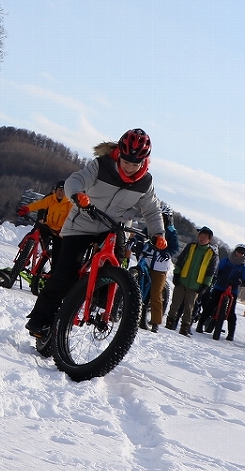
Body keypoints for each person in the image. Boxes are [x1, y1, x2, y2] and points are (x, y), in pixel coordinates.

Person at [24, 130, 166, 352]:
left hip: (113, 226)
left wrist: (158, 234)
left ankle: (102, 306)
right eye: (126, 161)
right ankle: (41, 319)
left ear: (144, 161)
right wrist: (77, 195)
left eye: (135, 163)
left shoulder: (145, 182)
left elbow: (152, 210)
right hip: (83, 221)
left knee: (116, 263)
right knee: (65, 272)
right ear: (119, 154)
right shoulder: (101, 165)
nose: (129, 167)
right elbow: (76, 180)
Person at [165, 227, 218, 335]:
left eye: (205, 237)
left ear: (209, 240)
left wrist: (205, 285)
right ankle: (169, 323)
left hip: (195, 285)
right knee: (175, 304)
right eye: (201, 236)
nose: (202, 238)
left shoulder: (211, 254)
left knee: (189, 308)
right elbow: (180, 260)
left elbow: (211, 272)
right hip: (182, 280)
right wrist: (176, 274)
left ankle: (184, 328)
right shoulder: (191, 246)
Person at [198, 244, 245, 340]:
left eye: (242, 253)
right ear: (235, 251)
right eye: (238, 251)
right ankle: (200, 325)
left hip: (233, 290)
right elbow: (218, 269)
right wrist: (216, 276)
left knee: (231, 313)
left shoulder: (243, 267)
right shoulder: (227, 260)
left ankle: (231, 334)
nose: (239, 254)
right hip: (219, 287)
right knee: (210, 306)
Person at [141, 203, 181, 332]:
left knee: (155, 292)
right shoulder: (151, 227)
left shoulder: (171, 232)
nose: (161, 220)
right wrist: (134, 241)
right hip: (147, 260)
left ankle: (155, 322)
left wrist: (166, 253)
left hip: (160, 265)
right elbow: (140, 236)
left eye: (163, 217)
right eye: (159, 217)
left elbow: (175, 248)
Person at [16, 180, 73, 260]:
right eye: (59, 189)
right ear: (56, 190)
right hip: (48, 226)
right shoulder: (51, 199)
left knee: (56, 254)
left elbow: (70, 219)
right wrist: (26, 208)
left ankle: (53, 271)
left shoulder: (69, 204)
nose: (61, 192)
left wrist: (64, 229)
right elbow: (39, 204)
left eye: (64, 190)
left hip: (60, 232)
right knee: (34, 234)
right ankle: (24, 257)